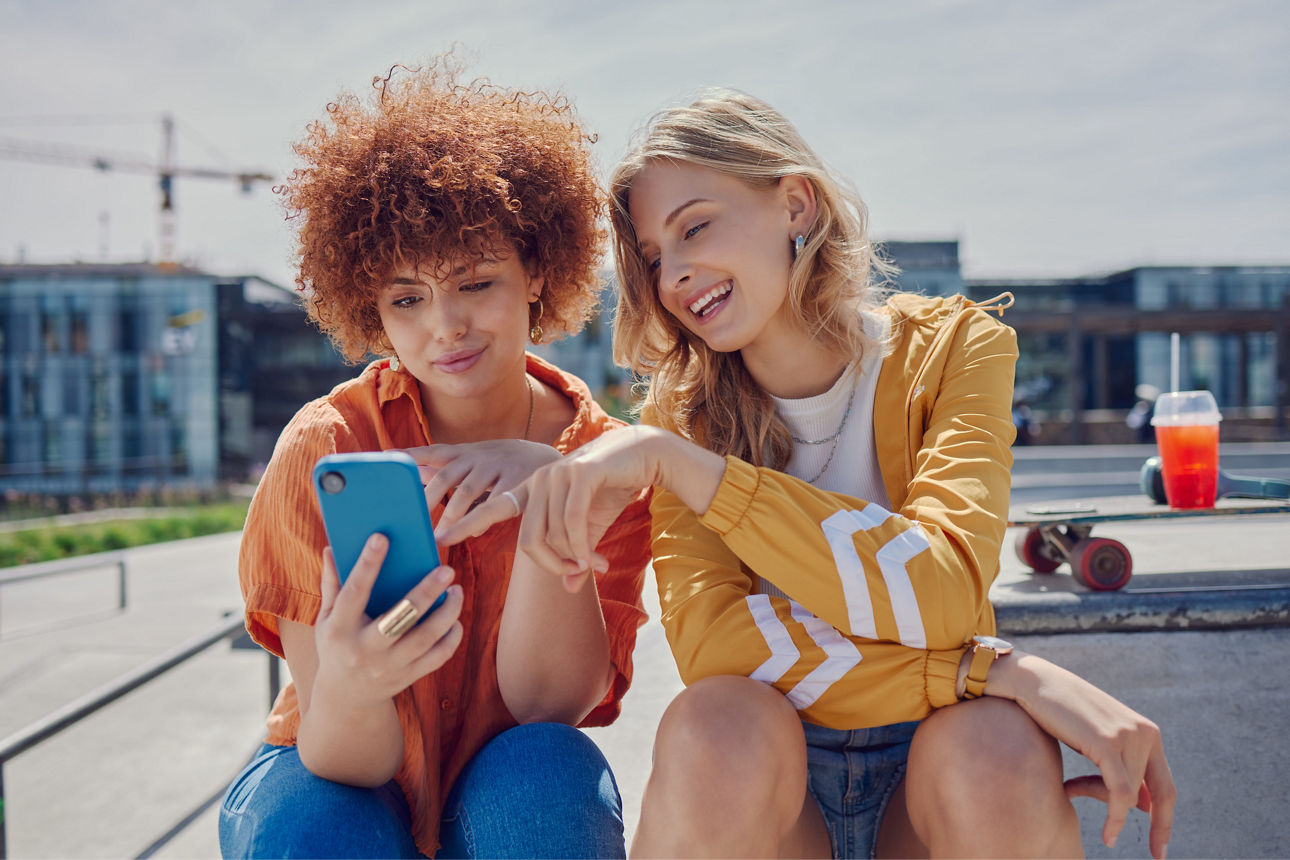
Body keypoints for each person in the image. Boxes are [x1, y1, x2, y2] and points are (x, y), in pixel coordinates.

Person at [440, 89, 1176, 859]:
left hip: (931, 791)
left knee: (993, 746)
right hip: (771, 800)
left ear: (795, 203)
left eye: (695, 226)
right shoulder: (676, 423)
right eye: (656, 258)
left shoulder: (958, 349)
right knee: (715, 724)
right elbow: (717, 651)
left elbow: (945, 591)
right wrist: (992, 672)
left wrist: (709, 483)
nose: (678, 274)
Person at [218, 60, 652, 859]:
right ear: (372, 310)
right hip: (332, 767)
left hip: (513, 768)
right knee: (319, 827)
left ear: (538, 276)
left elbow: (546, 711)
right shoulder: (327, 445)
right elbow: (347, 758)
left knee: (549, 776)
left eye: (476, 282)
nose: (444, 326)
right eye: (406, 299)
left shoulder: (605, 460)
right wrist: (354, 681)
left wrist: (548, 497)